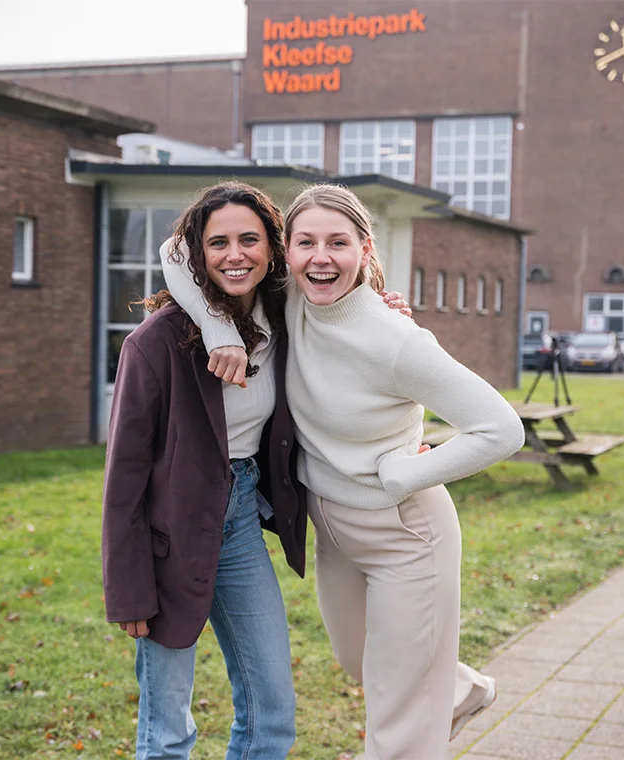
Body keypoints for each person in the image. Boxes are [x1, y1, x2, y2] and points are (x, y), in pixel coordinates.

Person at [160, 184, 524, 759]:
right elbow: (177, 251)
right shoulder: (289, 298)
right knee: (360, 662)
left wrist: (404, 476)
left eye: (338, 243)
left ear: (365, 249)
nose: (320, 257)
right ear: (288, 251)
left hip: (406, 531)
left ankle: (426, 702)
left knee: (396, 709)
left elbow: (502, 429)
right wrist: (220, 331)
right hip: (331, 528)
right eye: (306, 243)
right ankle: (451, 688)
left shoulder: (398, 340)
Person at [103, 182, 410, 759]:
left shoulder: (284, 314)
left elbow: (344, 307)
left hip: (240, 519)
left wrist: (381, 305)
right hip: (167, 535)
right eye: (217, 242)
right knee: (167, 732)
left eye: (249, 239)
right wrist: (128, 591)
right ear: (197, 252)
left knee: (272, 713)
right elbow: (123, 481)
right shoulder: (154, 345)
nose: (234, 254)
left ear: (273, 248)